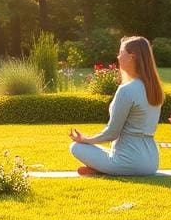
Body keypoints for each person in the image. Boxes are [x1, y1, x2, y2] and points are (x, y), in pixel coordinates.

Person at [68, 36, 164, 176]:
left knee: (76, 147)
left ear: (132, 57)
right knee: (99, 151)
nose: (118, 57)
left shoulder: (127, 90)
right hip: (151, 163)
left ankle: (102, 169)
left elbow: (112, 133)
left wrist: (85, 139)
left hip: (129, 162)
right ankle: (100, 169)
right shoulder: (154, 88)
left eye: (121, 52)